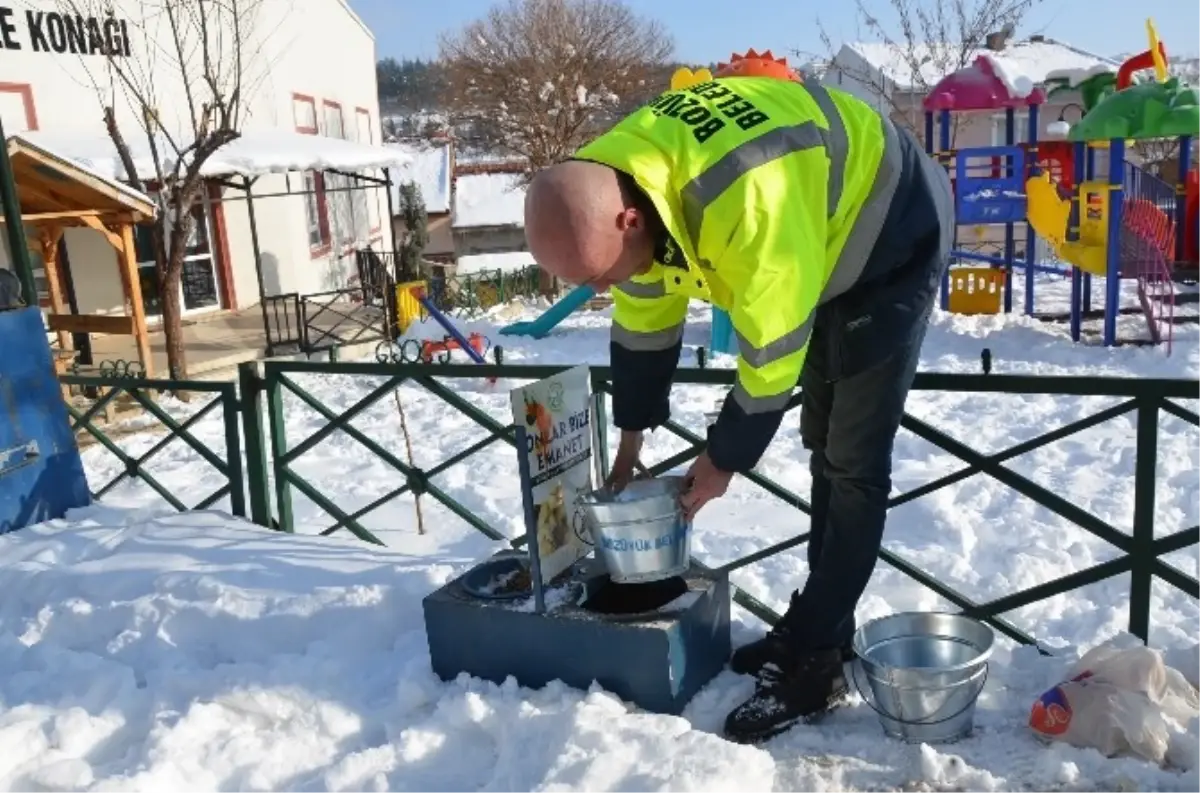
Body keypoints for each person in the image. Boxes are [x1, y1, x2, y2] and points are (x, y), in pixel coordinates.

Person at [523, 68, 954, 745]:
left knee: (852, 459)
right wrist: (631, 433)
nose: (605, 287)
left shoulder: (747, 203)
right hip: (820, 231)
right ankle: (819, 626)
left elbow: (773, 349)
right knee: (825, 444)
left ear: (628, 220)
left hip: (892, 230)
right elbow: (644, 306)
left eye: (602, 274)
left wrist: (722, 458)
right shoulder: (627, 176)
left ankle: (817, 662)